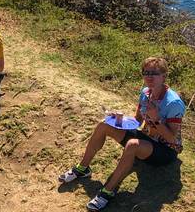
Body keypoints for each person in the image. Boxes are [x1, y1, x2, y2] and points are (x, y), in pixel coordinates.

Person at [58, 57, 185, 211]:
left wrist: (156, 119)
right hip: (147, 140)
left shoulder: (173, 102)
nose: (149, 76)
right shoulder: (145, 92)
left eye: (154, 73)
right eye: (146, 72)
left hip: (166, 150)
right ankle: (83, 168)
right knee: (104, 124)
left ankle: (107, 191)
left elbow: (172, 138)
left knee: (132, 145)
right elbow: (137, 121)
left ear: (164, 76)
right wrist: (118, 119)